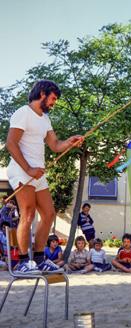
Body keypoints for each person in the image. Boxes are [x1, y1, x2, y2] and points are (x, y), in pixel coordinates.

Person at [6, 80, 84, 274]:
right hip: (22, 170)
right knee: (28, 213)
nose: (54, 103)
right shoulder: (23, 113)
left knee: (49, 214)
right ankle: (23, 262)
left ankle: (39, 260)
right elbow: (11, 144)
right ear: (42, 93)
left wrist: (70, 142)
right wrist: (29, 169)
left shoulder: (45, 119)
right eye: (53, 98)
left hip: (38, 173)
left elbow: (55, 145)